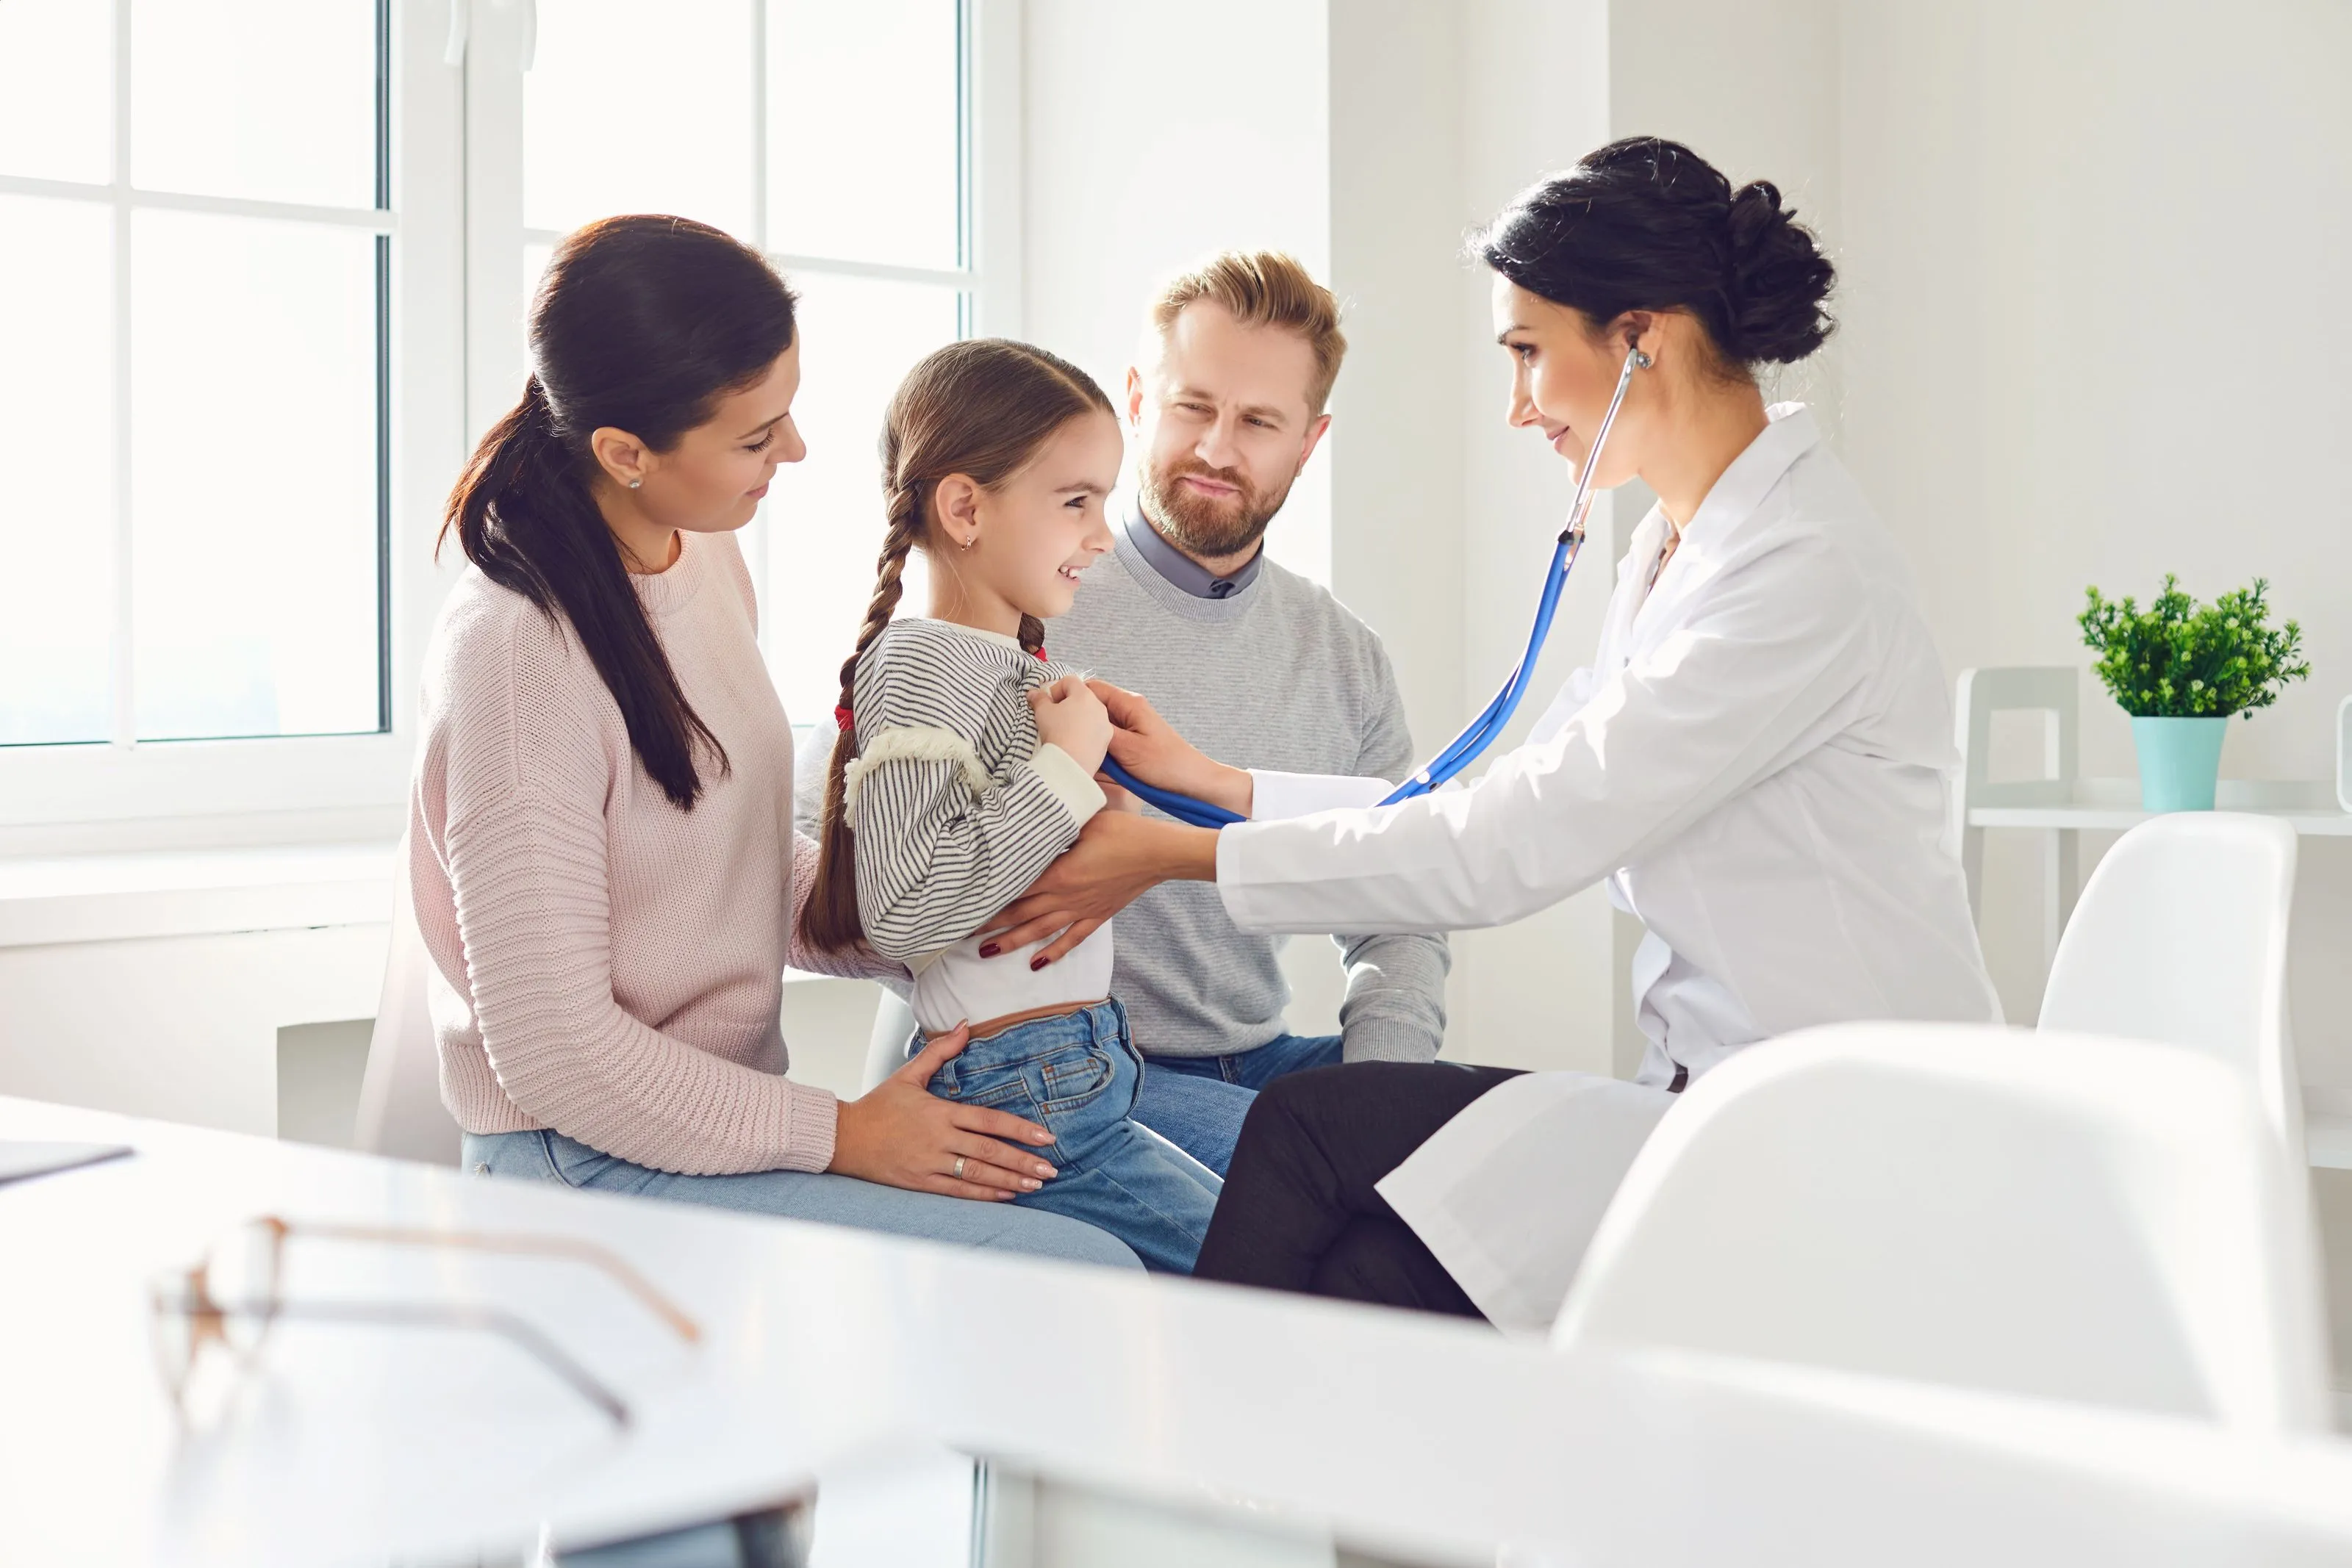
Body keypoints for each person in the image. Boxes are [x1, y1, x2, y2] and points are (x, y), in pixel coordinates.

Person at [982, 138, 2004, 1328]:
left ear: (1640, 341)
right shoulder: (1683, 547)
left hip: (1836, 1115)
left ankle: (1232, 1470)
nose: (1518, 407)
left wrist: (1185, 846)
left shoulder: (1796, 575)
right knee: (1364, 1250)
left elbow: (1513, 839)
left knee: (1320, 1137)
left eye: (1529, 353)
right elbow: (1494, 793)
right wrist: (1220, 784)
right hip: (1712, 1094)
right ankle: (1305, 1488)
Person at [414, 215, 1136, 1270]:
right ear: (624, 452)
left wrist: (963, 895)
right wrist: (840, 1131)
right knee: (1086, 1270)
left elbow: (731, 863)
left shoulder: (699, 560)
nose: (794, 450)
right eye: (756, 437)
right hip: (582, 1160)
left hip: (708, 1127)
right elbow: (556, 1056)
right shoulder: (519, 660)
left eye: (787, 413)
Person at [799, 338, 1222, 1273]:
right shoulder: (918, 661)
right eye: (1075, 502)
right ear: (963, 507)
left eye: (1103, 502)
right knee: (1263, 1268)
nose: (1103, 535)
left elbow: (1003, 862)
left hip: (1080, 1066)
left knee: (1257, 1254)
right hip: (1027, 1083)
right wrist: (1064, 773)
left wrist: (1092, 794)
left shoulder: (1005, 668)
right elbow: (906, 908)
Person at [1042, 252, 1451, 1178]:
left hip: (1266, 1060)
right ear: (1137, 400)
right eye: (1193, 406)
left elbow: (1400, 909)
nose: (1218, 450)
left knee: (1506, 1144)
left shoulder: (1345, 655)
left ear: (1309, 441)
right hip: (1087, 1067)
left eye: (1259, 421)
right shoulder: (1029, 600)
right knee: (1332, 1196)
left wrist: (1376, 1090)